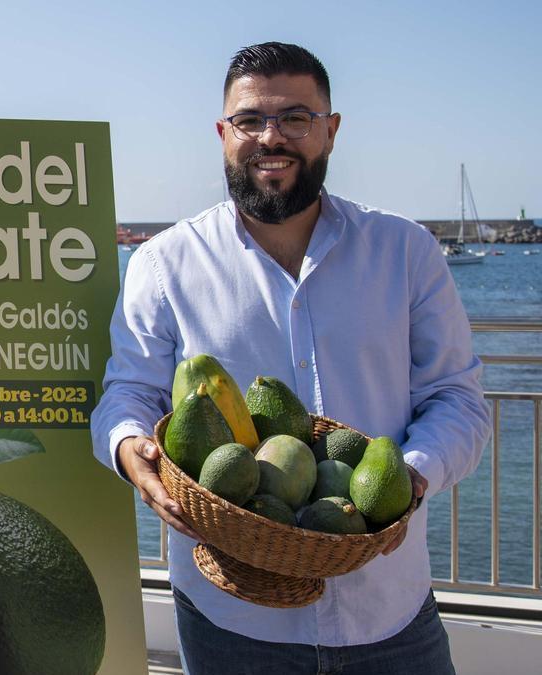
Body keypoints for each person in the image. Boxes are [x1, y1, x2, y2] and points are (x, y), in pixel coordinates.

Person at [91, 43, 490, 674]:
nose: (270, 138)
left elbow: (457, 400)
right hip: (230, 618)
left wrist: (410, 475)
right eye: (250, 120)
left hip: (389, 609)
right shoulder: (164, 265)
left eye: (296, 118)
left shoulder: (406, 251)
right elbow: (127, 394)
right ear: (223, 133)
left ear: (331, 130)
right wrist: (129, 450)